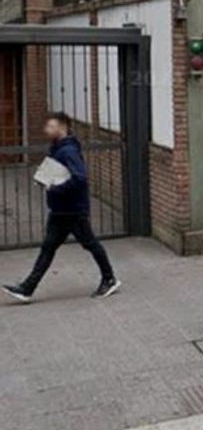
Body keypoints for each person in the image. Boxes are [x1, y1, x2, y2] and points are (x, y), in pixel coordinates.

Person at [3, 112, 121, 303]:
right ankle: (27, 288)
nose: (47, 130)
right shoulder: (58, 148)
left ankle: (109, 279)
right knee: (49, 247)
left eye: (51, 126)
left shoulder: (68, 151)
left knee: (90, 244)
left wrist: (55, 188)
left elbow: (80, 178)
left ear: (63, 127)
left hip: (73, 209)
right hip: (61, 209)